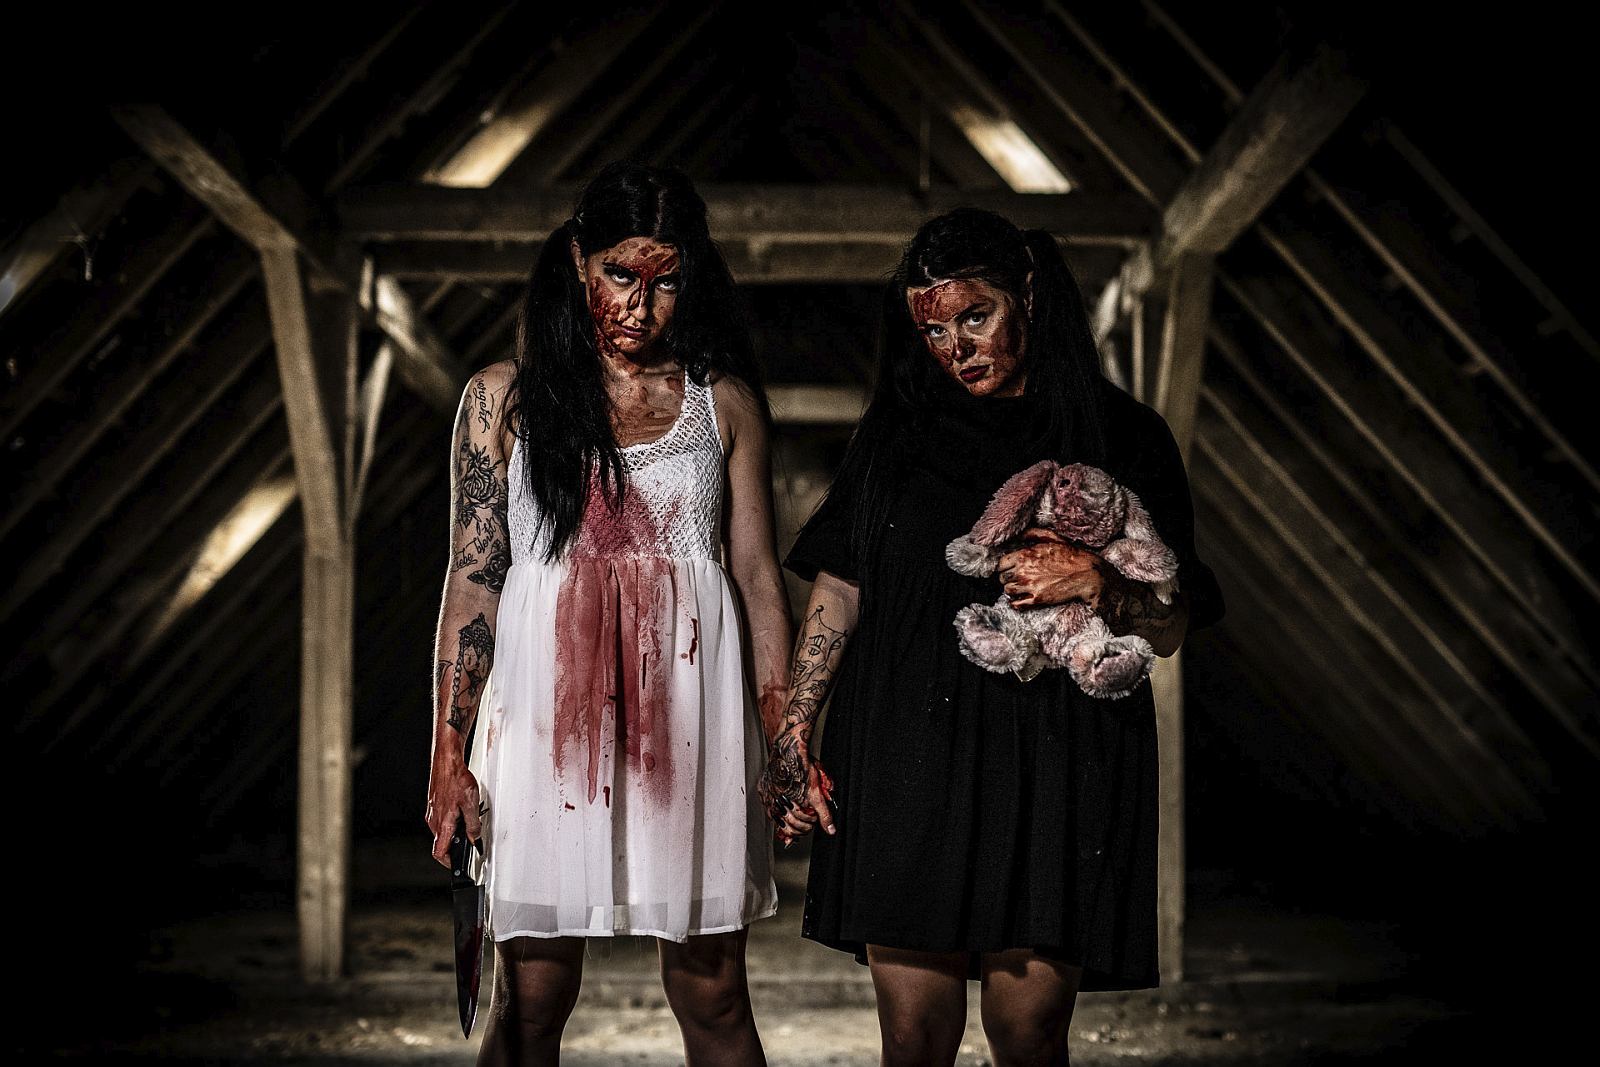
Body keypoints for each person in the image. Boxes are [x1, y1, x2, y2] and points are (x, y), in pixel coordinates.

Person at [759, 208, 1225, 1065]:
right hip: (904, 751)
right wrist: (793, 728)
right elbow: (840, 583)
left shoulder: (1122, 435)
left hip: (1057, 759)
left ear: (1030, 294)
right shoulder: (895, 436)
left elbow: (1175, 620)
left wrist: (1100, 583)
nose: (955, 347)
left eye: (975, 316)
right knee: (915, 1037)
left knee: (1029, 1032)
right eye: (933, 329)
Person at [425, 162, 793, 1067]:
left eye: (665, 281)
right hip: (545, 730)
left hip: (690, 730)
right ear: (578, 259)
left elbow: (756, 576)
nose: (640, 303)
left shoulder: (723, 403)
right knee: (531, 995)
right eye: (620, 273)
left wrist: (785, 735)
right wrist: (448, 751)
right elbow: (473, 579)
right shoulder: (504, 399)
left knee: (713, 990)